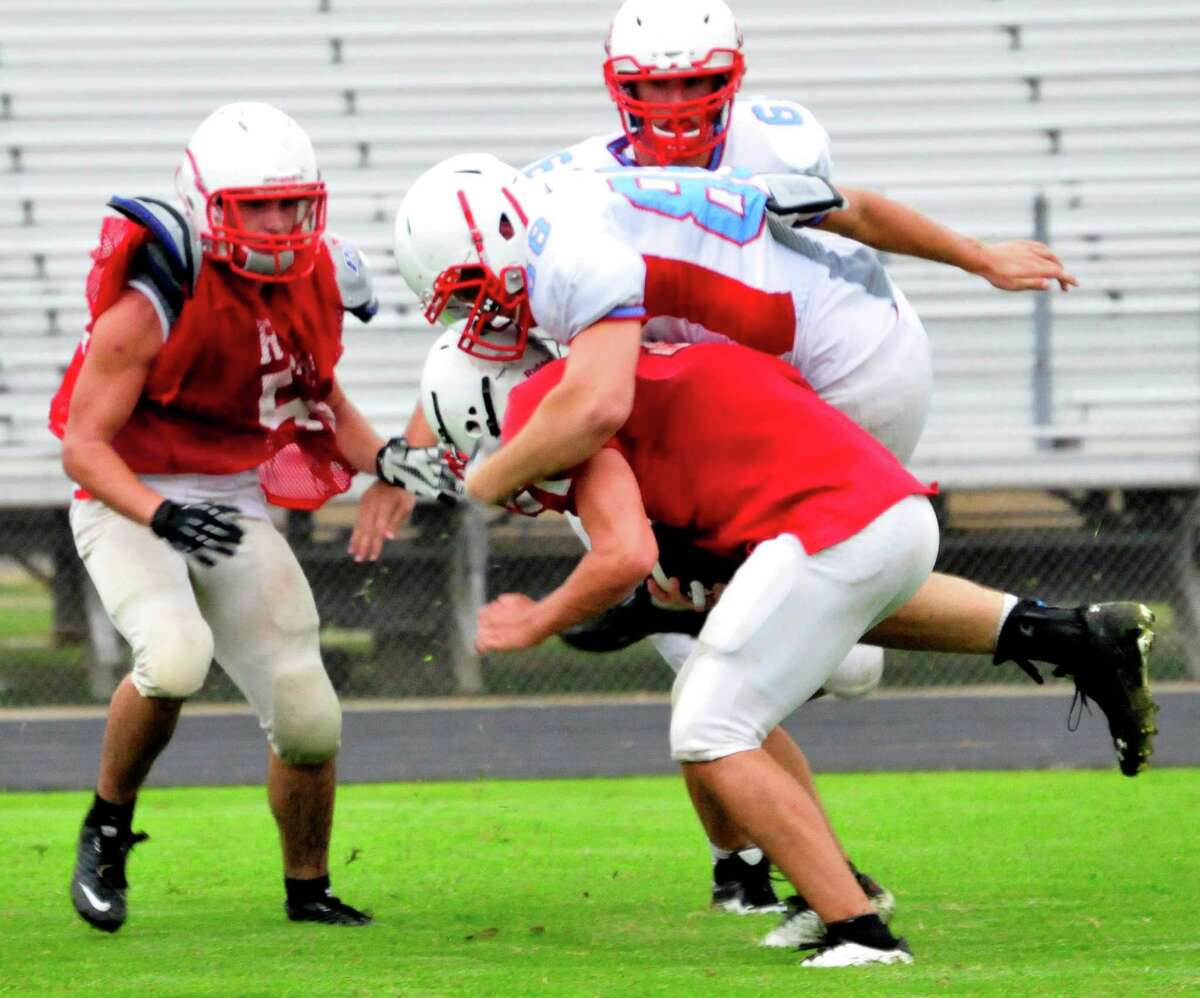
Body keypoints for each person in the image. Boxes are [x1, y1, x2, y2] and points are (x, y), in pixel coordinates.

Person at [387, 159, 1160, 943]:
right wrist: (974, 254)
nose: (481, 315)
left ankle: (848, 922)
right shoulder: (604, 247)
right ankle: (1064, 637)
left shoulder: (568, 332)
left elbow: (601, 454)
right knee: (736, 652)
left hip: (842, 429)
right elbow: (833, 213)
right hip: (858, 445)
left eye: (470, 289)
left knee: (716, 717)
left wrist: (525, 574)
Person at [419, 327, 939, 967]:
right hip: (873, 513)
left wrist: (537, 620)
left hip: (838, 529)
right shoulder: (624, 373)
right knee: (718, 710)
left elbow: (624, 556)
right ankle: (832, 893)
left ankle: (859, 931)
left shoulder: (565, 413)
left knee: (712, 725)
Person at [50, 101, 415, 933]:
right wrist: (160, 513)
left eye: (293, 204)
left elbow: (323, 403)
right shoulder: (155, 297)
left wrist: (388, 460)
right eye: (258, 206)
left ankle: (307, 888)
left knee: (309, 717)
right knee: (176, 658)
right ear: (209, 205)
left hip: (227, 498)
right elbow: (83, 448)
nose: (282, 225)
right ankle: (106, 829)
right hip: (129, 494)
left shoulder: (314, 277)